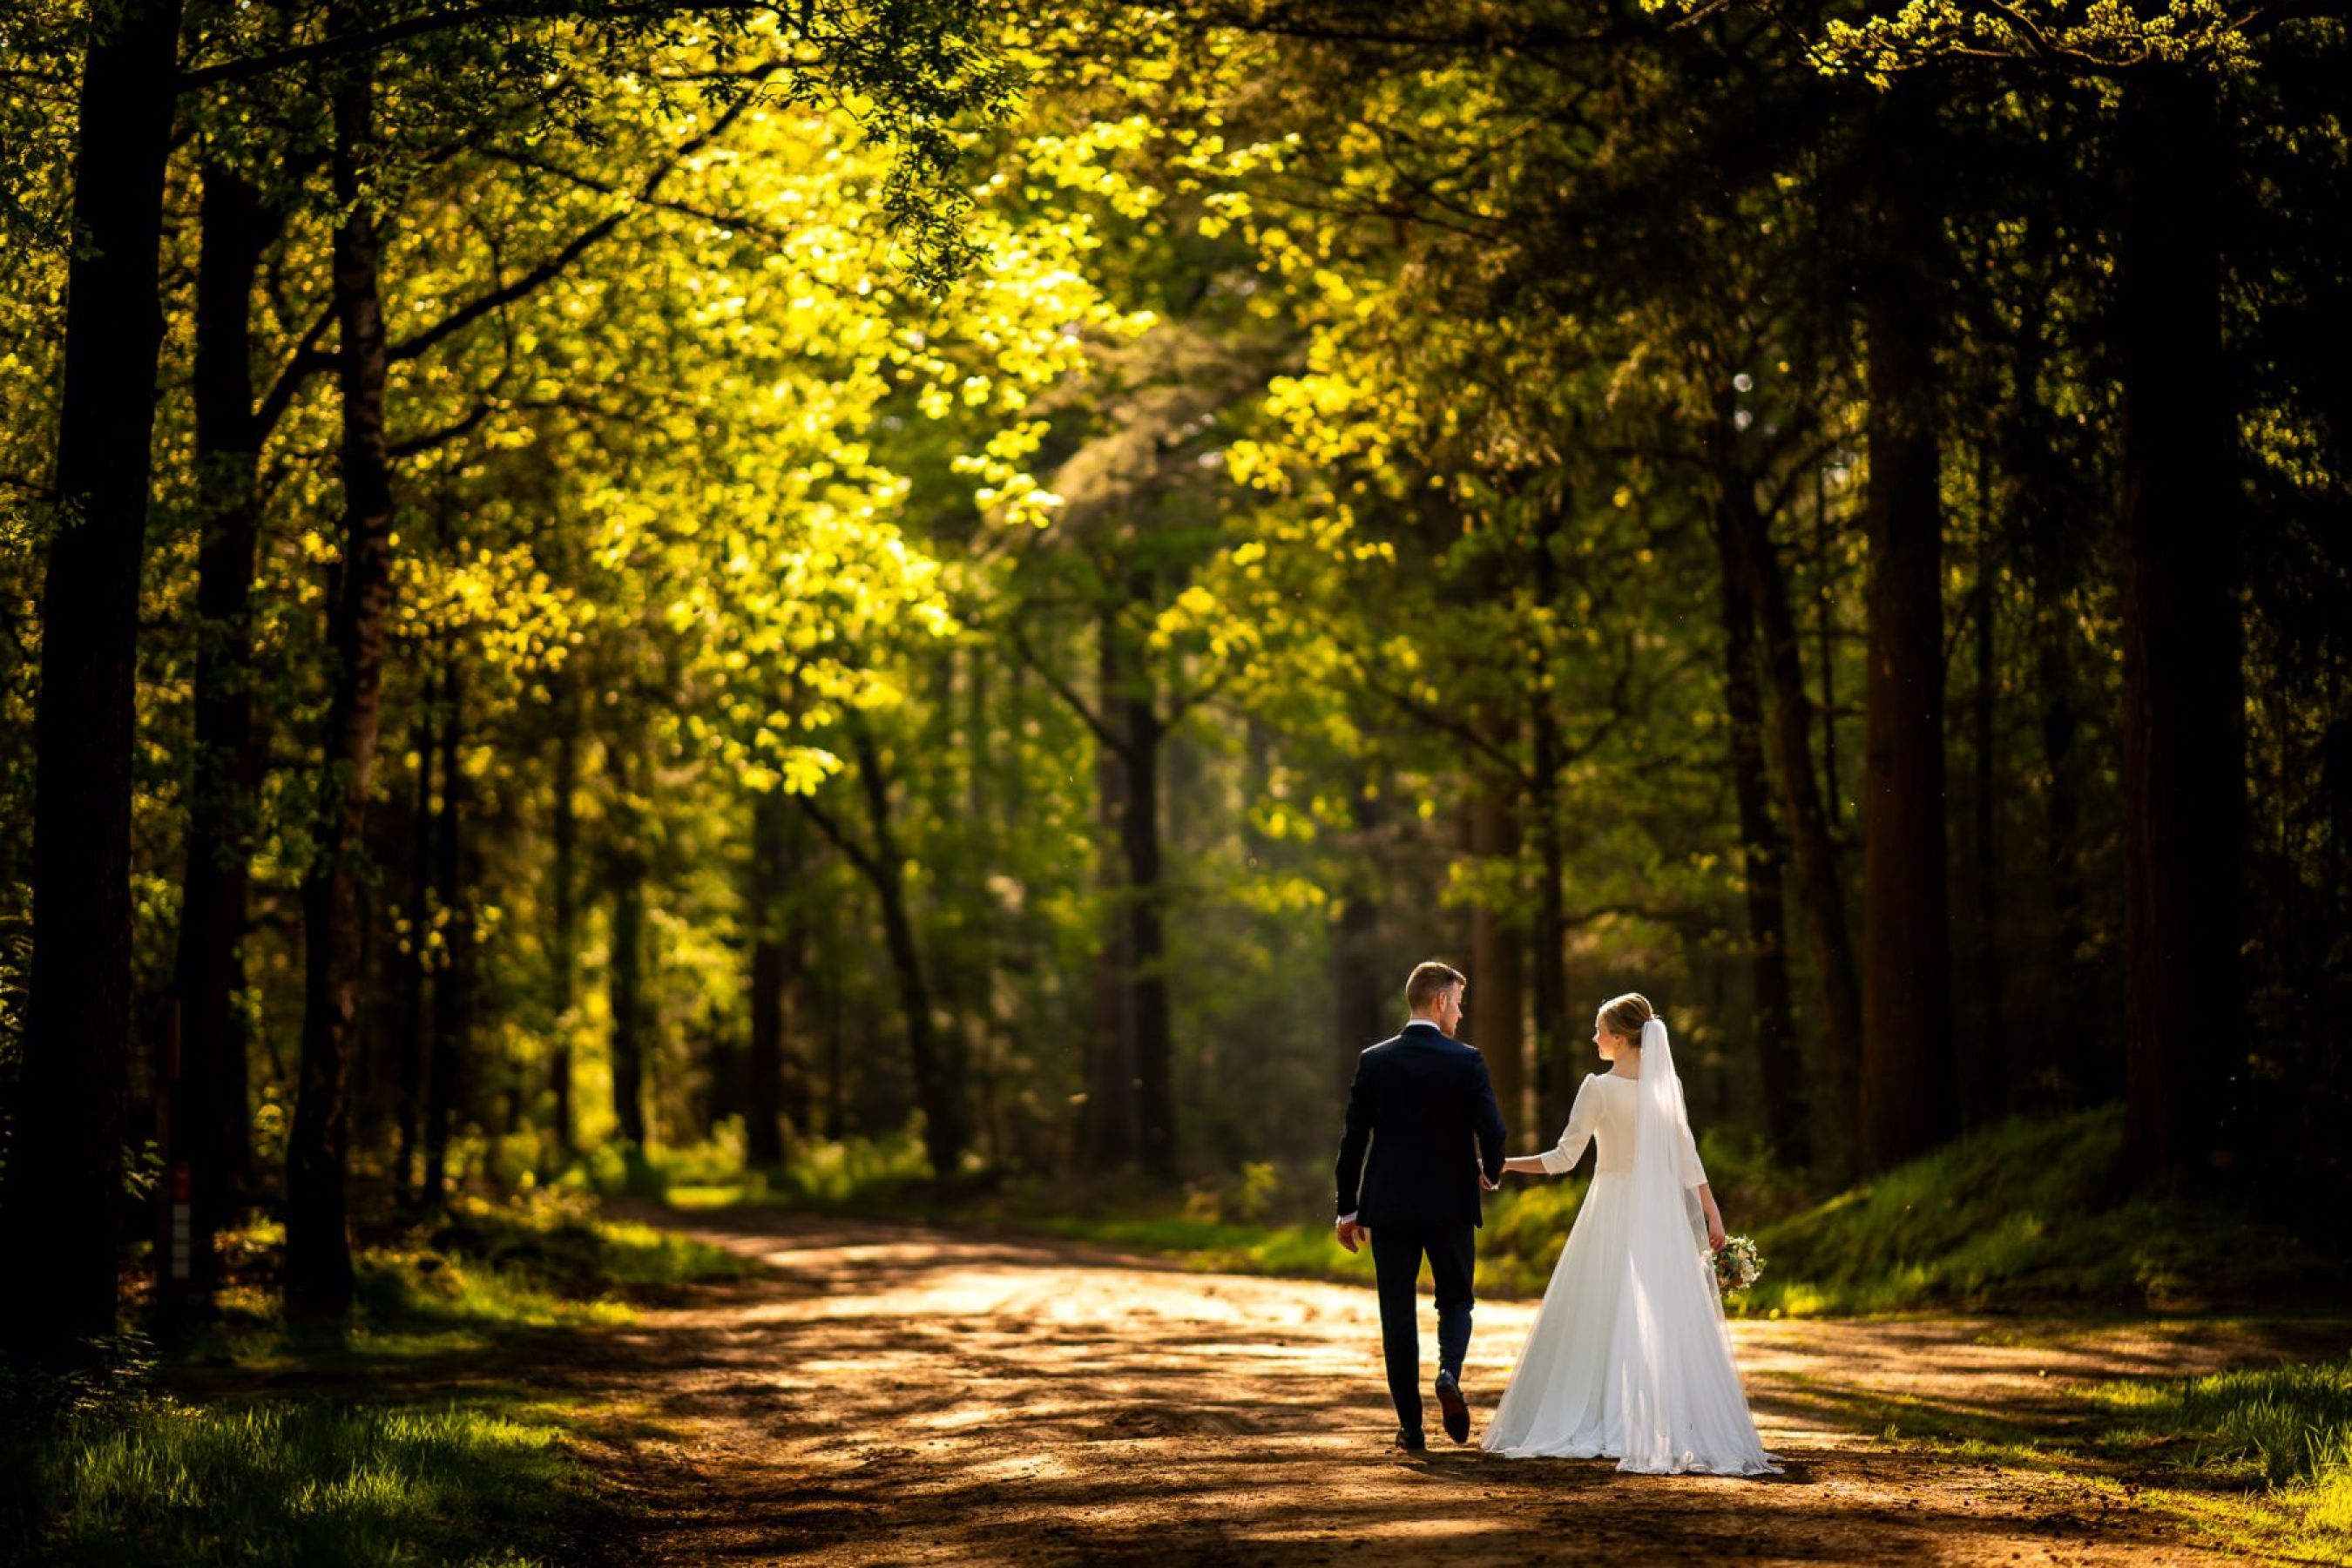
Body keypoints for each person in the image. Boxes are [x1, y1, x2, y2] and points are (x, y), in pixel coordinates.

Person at [1480, 991, 1781, 1475]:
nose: (1594, 1038)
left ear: (1620, 1039)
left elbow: (1563, 1158)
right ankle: (1662, 1420)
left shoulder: (1598, 1088)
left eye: (1600, 1031)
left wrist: (1503, 1166)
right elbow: (1687, 1154)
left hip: (1613, 1208)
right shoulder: (1666, 1085)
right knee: (1662, 1316)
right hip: (1659, 1214)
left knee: (1598, 1311)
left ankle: (1605, 1414)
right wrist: (1711, 1210)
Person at [1332, 960, 1508, 1452]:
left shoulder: (1374, 1060)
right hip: (1450, 1204)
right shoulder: (1466, 1061)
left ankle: (1411, 1428)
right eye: (1458, 1003)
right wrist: (1490, 1172)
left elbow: (1354, 1141)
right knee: (1455, 1299)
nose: (1460, 1014)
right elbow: (1493, 1131)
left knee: (1397, 1314)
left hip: (1387, 1207)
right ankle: (1449, 1372)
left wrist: (1348, 1209)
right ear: (1439, 1002)